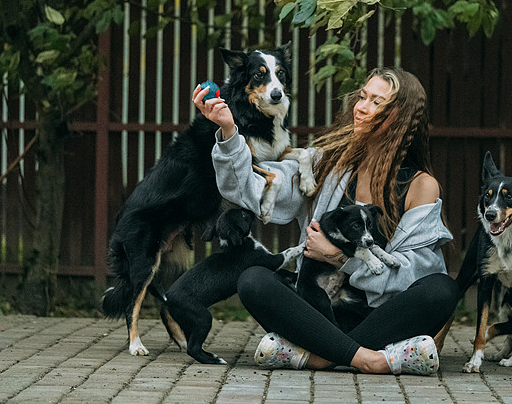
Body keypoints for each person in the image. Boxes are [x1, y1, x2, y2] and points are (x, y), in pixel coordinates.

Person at [192, 67, 458, 375]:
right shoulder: (328, 163)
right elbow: (250, 189)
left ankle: (320, 357)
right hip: (319, 313)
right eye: (362, 97)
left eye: (376, 102)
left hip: (378, 318)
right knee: (254, 280)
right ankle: (369, 360)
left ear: (400, 117)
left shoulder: (419, 185)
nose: (361, 107)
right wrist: (228, 133)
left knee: (442, 289)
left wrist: (342, 259)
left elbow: (416, 273)